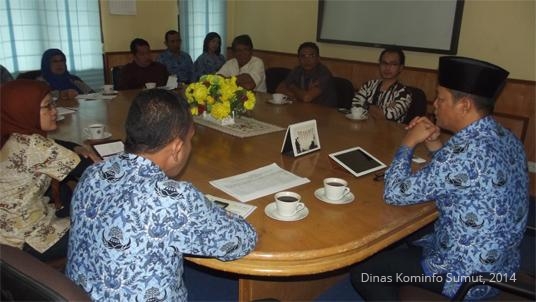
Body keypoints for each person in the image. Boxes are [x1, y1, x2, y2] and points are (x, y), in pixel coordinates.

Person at [350, 56, 529, 300]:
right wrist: (434, 143)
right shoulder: (505, 136)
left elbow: (394, 193)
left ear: (464, 105)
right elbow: (460, 176)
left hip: (466, 273)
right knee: (409, 232)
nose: (435, 104)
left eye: (441, 98)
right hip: (503, 264)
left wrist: (408, 143)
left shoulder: (466, 152)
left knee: (365, 272)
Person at [66, 89, 257, 301]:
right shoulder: (172, 199)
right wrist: (220, 214)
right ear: (176, 147)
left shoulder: (93, 173)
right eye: (189, 140)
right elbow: (241, 240)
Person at [0, 79, 81, 262]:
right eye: (48, 106)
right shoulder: (34, 146)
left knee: (68, 192)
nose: (55, 111)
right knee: (99, 231)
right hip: (20, 241)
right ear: (25, 110)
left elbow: (56, 145)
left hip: (7, 228)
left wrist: (74, 147)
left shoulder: (10, 133)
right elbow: (91, 171)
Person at [352, 46, 412, 123]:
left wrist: (365, 105)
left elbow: (389, 117)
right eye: (384, 63)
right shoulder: (368, 85)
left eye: (393, 64)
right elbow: (355, 107)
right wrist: (382, 109)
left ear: (401, 67)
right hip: (365, 129)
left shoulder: (404, 93)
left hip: (390, 133)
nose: (387, 68)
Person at [276, 42, 337, 107]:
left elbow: (306, 98)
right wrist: (298, 96)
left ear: (318, 58)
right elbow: (279, 89)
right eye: (303, 56)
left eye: (311, 56)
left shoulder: (323, 73)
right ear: (299, 59)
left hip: (324, 112)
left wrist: (292, 86)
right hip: (303, 109)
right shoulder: (297, 70)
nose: (307, 60)